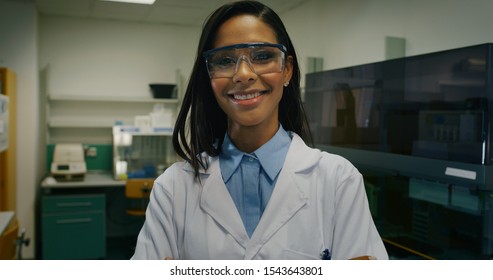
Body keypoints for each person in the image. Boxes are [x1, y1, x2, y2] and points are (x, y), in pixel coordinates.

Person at [131, 0, 388, 260]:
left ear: (287, 70)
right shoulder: (174, 188)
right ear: (209, 77)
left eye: (262, 56)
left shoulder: (338, 180)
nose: (243, 74)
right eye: (225, 60)